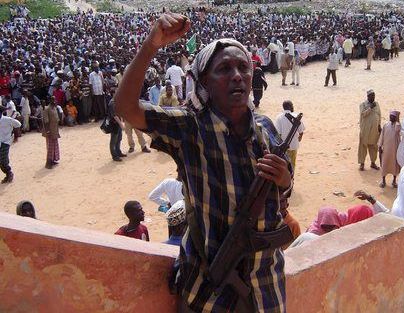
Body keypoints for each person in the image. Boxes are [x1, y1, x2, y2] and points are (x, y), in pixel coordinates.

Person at [114, 14, 292, 312]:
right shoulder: (190, 129)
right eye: (224, 69)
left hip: (267, 289)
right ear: (204, 82)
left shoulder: (267, 129)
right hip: (209, 293)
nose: (237, 75)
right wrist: (151, 45)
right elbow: (125, 107)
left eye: (243, 67)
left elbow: (282, 197)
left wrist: (285, 180)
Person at [290, 190, 388, 248]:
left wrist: (370, 198)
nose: (331, 232)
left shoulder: (353, 230)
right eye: (328, 228)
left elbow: (386, 215)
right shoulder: (312, 236)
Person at [275, 100, 305, 171]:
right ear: (291, 107)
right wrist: (299, 139)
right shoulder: (296, 116)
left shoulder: (279, 117)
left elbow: (278, 133)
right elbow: (301, 131)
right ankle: (291, 178)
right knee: (292, 164)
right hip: (294, 145)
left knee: (283, 164)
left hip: (283, 146)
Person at [358, 89, 381, 171]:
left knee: (374, 146)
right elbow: (363, 114)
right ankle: (362, 163)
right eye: (371, 96)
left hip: (374, 130)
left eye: (374, 96)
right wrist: (370, 108)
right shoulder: (363, 104)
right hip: (365, 130)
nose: (373, 97)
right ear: (368, 97)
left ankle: (373, 163)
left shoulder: (377, 104)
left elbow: (379, 114)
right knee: (363, 146)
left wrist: (379, 125)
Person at [378, 110, 401, 188]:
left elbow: (397, 129)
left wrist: (398, 120)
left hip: (395, 150)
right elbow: (382, 136)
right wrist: (380, 146)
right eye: (390, 116)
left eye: (393, 117)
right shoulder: (386, 125)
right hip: (386, 150)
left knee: (394, 165)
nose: (391, 118)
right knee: (384, 164)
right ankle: (383, 181)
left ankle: (394, 181)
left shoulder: (397, 125)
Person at [0, 105, 21, 183]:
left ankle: (9, 173)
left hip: (6, 142)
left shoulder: (7, 120)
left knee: (3, 160)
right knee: (1, 160)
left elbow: (18, 124)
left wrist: (16, 136)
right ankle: (7, 174)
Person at [42, 97, 60, 169]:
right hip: (50, 130)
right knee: (50, 146)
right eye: (53, 100)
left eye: (55, 99)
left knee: (55, 145)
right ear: (50, 101)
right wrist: (48, 131)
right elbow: (46, 121)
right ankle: (48, 163)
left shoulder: (55, 108)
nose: (54, 101)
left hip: (55, 129)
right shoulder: (47, 109)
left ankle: (53, 160)